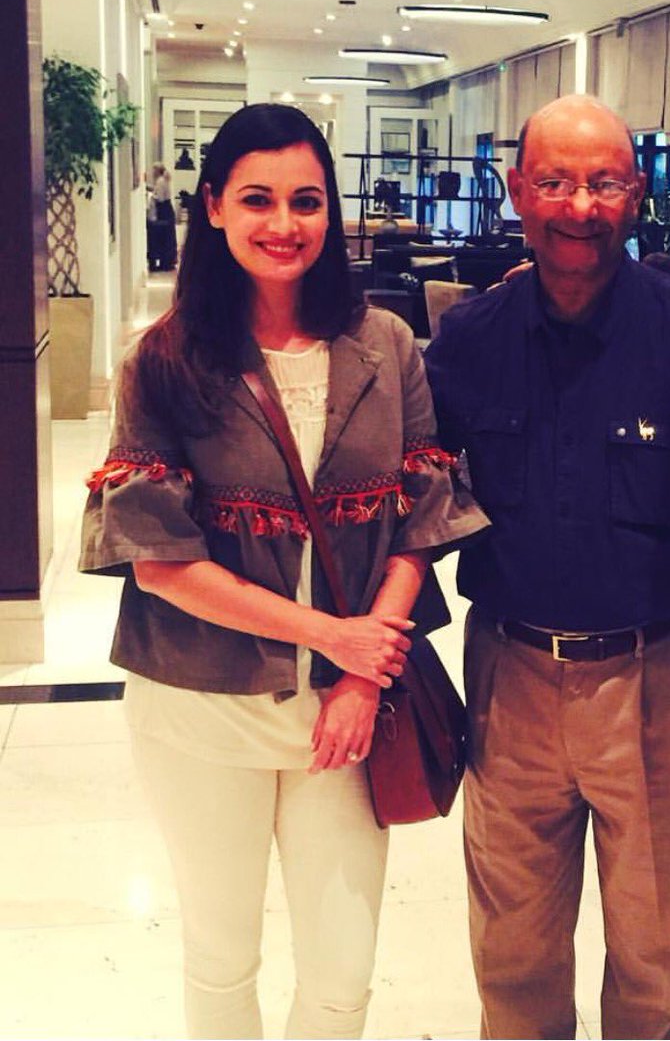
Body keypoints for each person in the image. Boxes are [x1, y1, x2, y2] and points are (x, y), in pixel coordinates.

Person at [80, 103, 488, 1040]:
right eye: (257, 199)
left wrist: (360, 672)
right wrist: (333, 638)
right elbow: (161, 565)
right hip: (200, 705)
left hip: (347, 712)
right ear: (214, 207)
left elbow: (420, 520)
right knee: (222, 957)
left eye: (306, 200)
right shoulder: (163, 362)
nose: (284, 223)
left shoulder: (385, 345)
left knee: (342, 974)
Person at [424, 94, 670, 1040]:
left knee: (656, 961)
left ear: (636, 193)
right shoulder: (470, 340)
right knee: (514, 956)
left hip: (658, 678)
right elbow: (415, 494)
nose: (579, 206)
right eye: (556, 182)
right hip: (511, 675)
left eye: (603, 183)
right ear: (517, 190)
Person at [148, 162, 178, 272]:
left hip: (163, 211)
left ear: (157, 171)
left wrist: (152, 197)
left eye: (153, 170)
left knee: (163, 237)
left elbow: (160, 198)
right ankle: (168, 261)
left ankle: (164, 262)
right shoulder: (163, 180)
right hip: (167, 210)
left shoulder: (160, 181)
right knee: (168, 236)